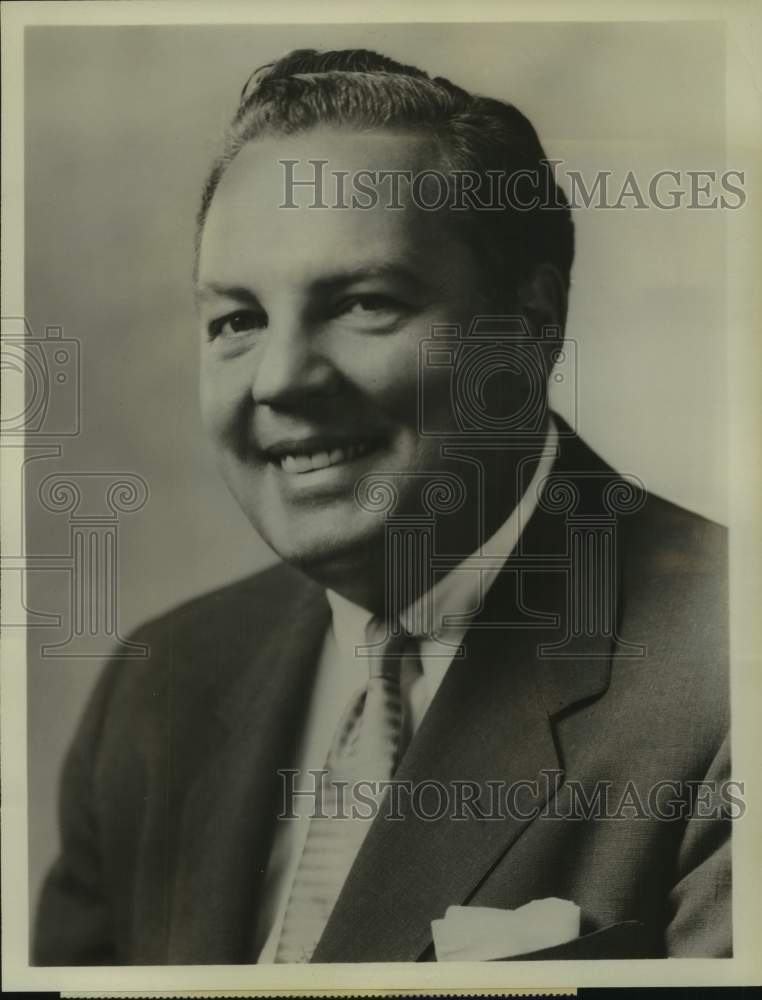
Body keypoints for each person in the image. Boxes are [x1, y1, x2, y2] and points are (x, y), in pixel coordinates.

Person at [34, 48, 730, 965]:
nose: (282, 379)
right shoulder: (157, 688)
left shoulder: (729, 672)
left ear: (530, 327)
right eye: (237, 321)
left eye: (363, 303)